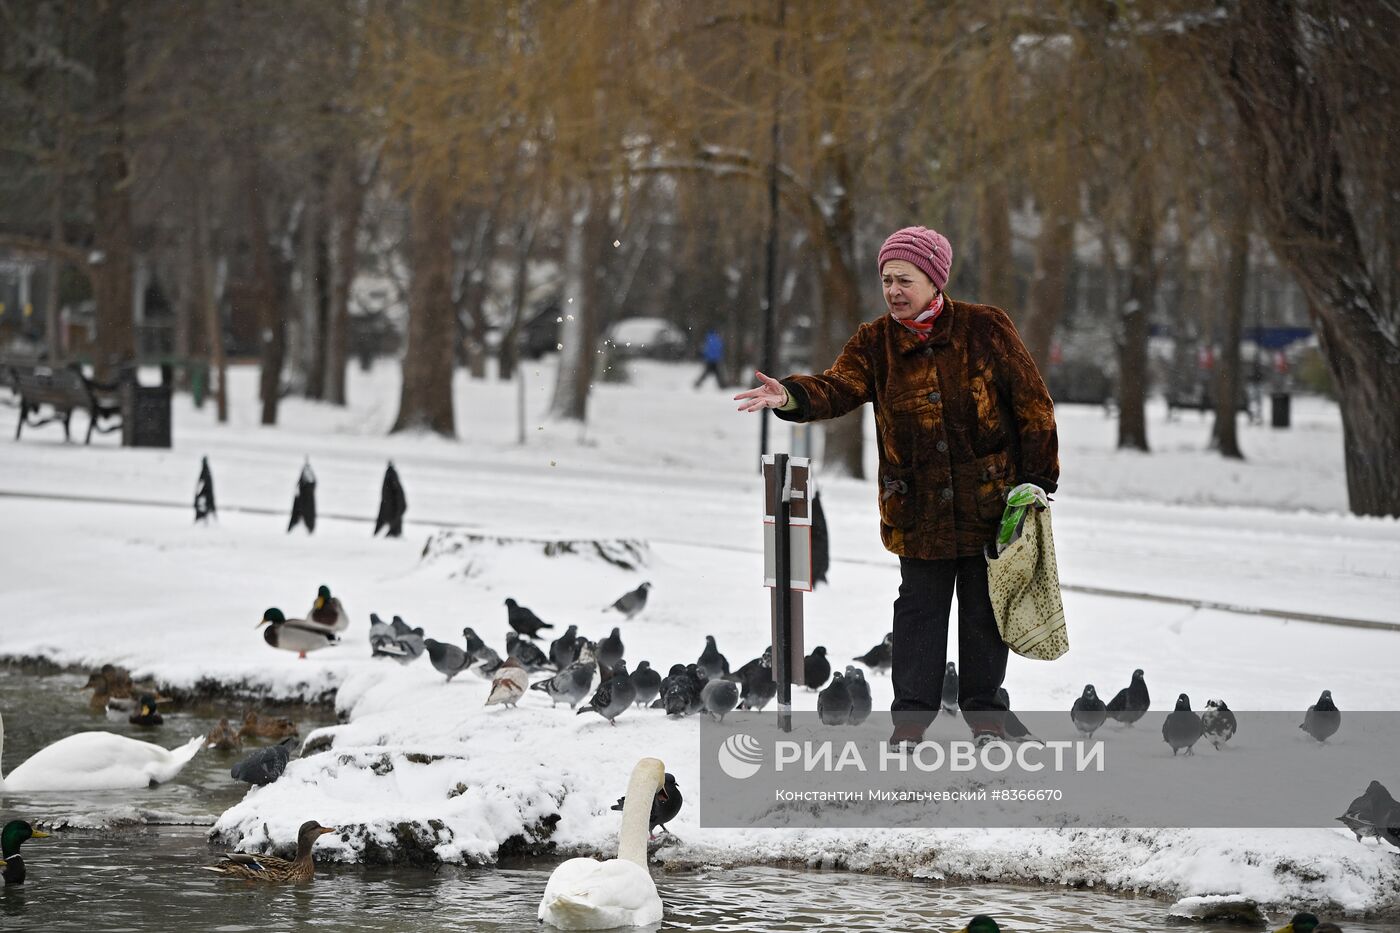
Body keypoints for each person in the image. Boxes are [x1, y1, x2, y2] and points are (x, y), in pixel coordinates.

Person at [734, 225, 1059, 747]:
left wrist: (1037, 484)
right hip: (918, 512)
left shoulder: (986, 329)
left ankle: (987, 719)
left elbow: (1033, 406)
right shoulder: (875, 342)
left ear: (934, 280)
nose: (893, 291)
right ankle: (910, 721)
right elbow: (838, 387)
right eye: (886, 280)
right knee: (919, 614)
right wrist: (791, 395)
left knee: (983, 613)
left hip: (991, 507)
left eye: (904, 279)